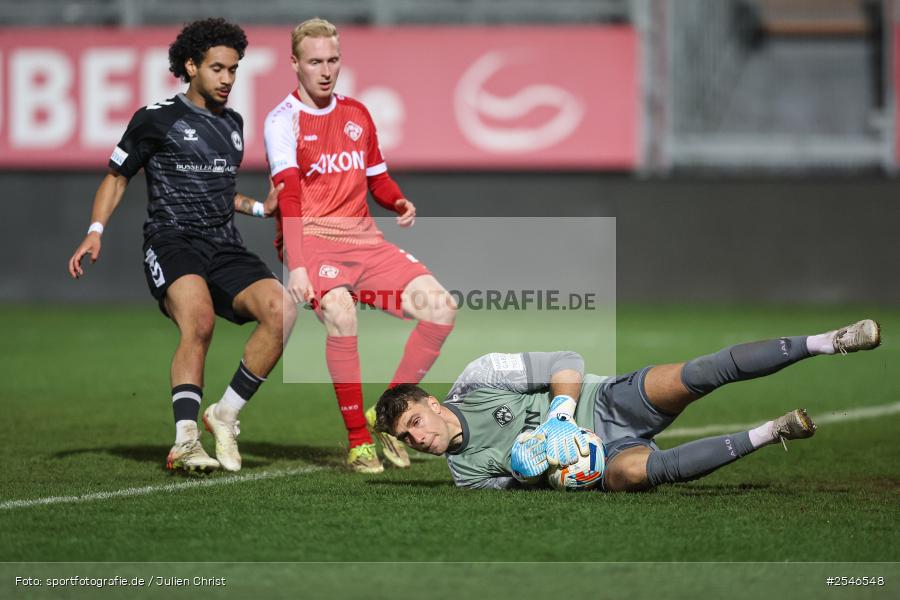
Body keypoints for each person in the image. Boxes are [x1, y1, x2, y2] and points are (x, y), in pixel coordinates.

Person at [67, 18, 296, 474]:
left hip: (223, 244)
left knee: (283, 309)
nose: (228, 79)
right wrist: (96, 229)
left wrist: (258, 209)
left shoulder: (233, 124)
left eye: (234, 69)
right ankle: (186, 441)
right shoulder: (156, 118)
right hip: (173, 240)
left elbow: (217, 191)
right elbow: (117, 177)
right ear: (190, 66)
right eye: (217, 68)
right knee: (200, 322)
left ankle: (225, 415)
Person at [264, 18, 456, 473]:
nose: (326, 70)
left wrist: (397, 199)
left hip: (365, 242)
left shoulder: (357, 113)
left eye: (333, 60)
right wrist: (296, 263)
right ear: (294, 63)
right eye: (315, 62)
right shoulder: (282, 121)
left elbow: (376, 178)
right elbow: (289, 195)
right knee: (342, 314)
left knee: (442, 307)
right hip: (314, 242)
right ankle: (357, 440)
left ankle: (384, 414)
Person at [374, 319, 881, 491]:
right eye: (405, 438)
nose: (418, 439)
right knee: (643, 474)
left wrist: (559, 416)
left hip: (607, 401)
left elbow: (565, 360)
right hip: (600, 460)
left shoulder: (481, 378)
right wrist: (538, 467)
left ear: (435, 404)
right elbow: (530, 486)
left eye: (416, 422)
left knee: (702, 373)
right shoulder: (465, 475)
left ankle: (827, 341)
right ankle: (773, 432)